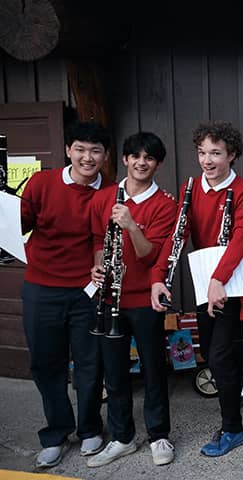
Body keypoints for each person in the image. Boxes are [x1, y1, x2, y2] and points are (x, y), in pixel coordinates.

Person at [150, 121, 243, 457]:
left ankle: (232, 428)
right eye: (202, 152)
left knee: (220, 355)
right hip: (205, 279)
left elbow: (242, 238)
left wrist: (219, 279)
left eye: (216, 153)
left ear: (231, 155)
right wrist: (158, 275)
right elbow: (178, 235)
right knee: (210, 349)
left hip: (234, 281)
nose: (207, 160)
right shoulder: (191, 188)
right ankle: (238, 387)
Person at [21, 121, 113, 468]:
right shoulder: (42, 182)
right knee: (47, 364)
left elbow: (101, 240)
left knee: (90, 363)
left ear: (105, 156)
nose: (87, 157)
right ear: (68, 150)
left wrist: (98, 267)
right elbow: (22, 223)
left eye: (95, 151)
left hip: (86, 291)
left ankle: (90, 427)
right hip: (40, 287)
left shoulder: (109, 192)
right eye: (81, 149)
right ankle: (56, 433)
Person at [86, 132, 177, 467]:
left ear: (158, 164)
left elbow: (148, 256)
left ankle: (159, 435)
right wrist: (97, 266)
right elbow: (98, 240)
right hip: (110, 297)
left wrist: (131, 225)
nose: (141, 162)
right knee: (115, 372)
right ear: (124, 159)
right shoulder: (104, 197)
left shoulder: (165, 205)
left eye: (149, 158)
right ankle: (122, 437)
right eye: (135, 156)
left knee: (153, 368)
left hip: (142, 299)